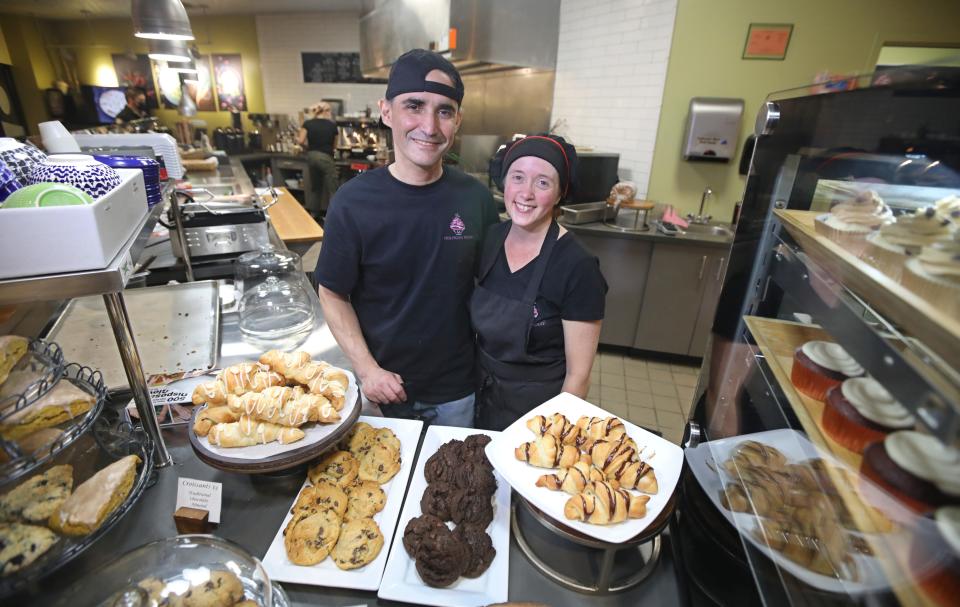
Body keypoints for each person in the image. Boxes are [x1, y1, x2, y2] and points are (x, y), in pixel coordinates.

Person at [314, 49, 499, 427]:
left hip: (456, 390)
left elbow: (495, 287)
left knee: (454, 484)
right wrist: (367, 371)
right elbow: (332, 292)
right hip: (380, 390)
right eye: (414, 106)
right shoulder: (353, 202)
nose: (429, 126)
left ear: (457, 120)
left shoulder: (475, 199)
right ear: (387, 112)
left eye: (444, 111)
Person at [471, 134, 607, 431]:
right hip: (482, 397)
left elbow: (578, 377)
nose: (526, 193)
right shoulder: (491, 239)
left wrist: (549, 435)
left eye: (543, 182)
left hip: (539, 412)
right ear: (504, 183)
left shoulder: (577, 266)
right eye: (518, 177)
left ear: (560, 194)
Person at [297, 102, 339, 217]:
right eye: (329, 110)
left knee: (315, 187)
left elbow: (300, 141)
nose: (330, 113)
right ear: (325, 111)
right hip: (325, 157)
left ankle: (314, 214)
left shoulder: (308, 123)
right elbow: (335, 146)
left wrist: (308, 148)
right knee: (333, 188)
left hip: (311, 156)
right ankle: (334, 216)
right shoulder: (332, 125)